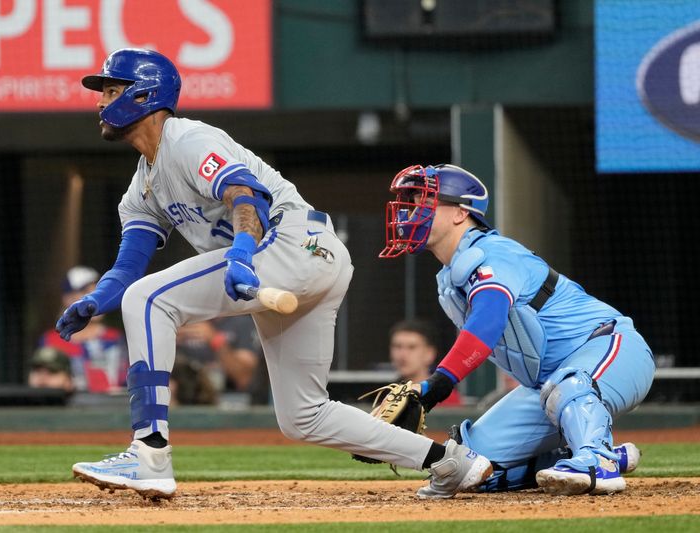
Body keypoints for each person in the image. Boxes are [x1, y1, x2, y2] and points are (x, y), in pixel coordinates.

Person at [57, 48, 491, 501]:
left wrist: (242, 254)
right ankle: (451, 461)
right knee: (303, 416)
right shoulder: (141, 185)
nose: (101, 102)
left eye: (111, 90)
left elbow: (246, 196)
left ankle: (149, 454)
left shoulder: (186, 140)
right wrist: (94, 301)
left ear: (146, 95)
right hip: (307, 263)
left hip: (292, 244)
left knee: (150, 300)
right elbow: (128, 264)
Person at [379, 163, 654, 495]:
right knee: (473, 467)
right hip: (545, 387)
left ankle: (598, 460)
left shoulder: (492, 253)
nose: (410, 213)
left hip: (614, 349)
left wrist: (438, 384)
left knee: (566, 385)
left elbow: (488, 321)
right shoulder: (450, 279)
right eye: (410, 203)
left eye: (423, 202)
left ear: (459, 214)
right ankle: (592, 452)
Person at [40, 266, 128, 393]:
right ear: (68, 299)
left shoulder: (114, 337)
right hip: (68, 409)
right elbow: (41, 383)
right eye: (87, 291)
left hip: (112, 407)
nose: (97, 297)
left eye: (100, 291)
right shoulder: (51, 340)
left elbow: (128, 381)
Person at [176, 317, 261, 394]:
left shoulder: (241, 322)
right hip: (186, 395)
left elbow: (244, 379)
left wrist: (215, 339)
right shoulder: (182, 319)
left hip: (229, 400)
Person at [388, 319, 460, 406]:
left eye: (412, 347)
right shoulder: (385, 394)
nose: (403, 354)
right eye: (398, 346)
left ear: (429, 354)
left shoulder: (444, 397)